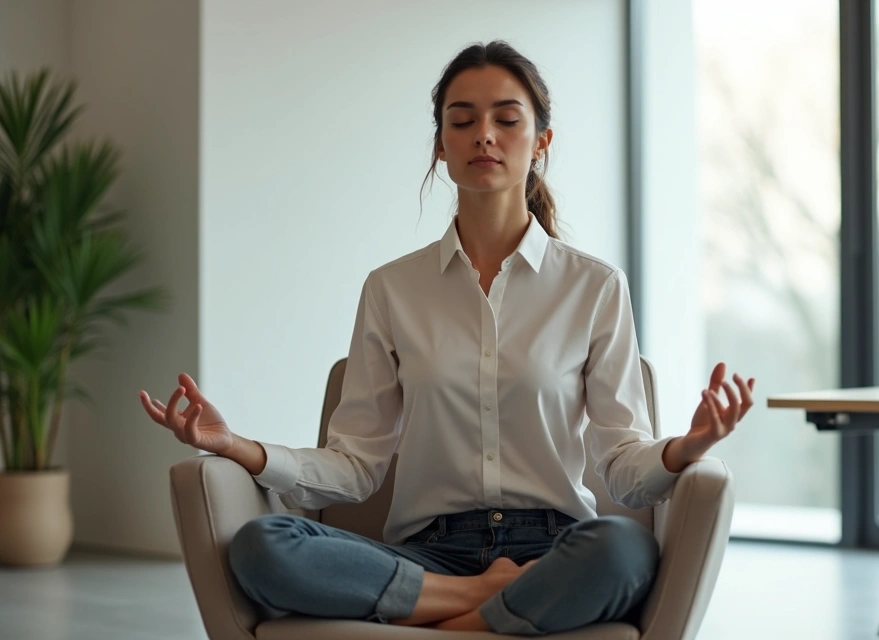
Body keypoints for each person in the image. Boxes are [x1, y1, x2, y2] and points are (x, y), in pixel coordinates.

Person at [139, 40, 755, 636]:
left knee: (623, 549)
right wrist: (237, 445)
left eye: (506, 119)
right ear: (440, 145)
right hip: (428, 553)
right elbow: (355, 468)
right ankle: (492, 605)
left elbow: (621, 468)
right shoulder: (391, 289)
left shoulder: (594, 287)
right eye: (462, 121)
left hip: (555, 548)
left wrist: (689, 444)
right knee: (262, 546)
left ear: (541, 141)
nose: (483, 134)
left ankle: (441, 618)